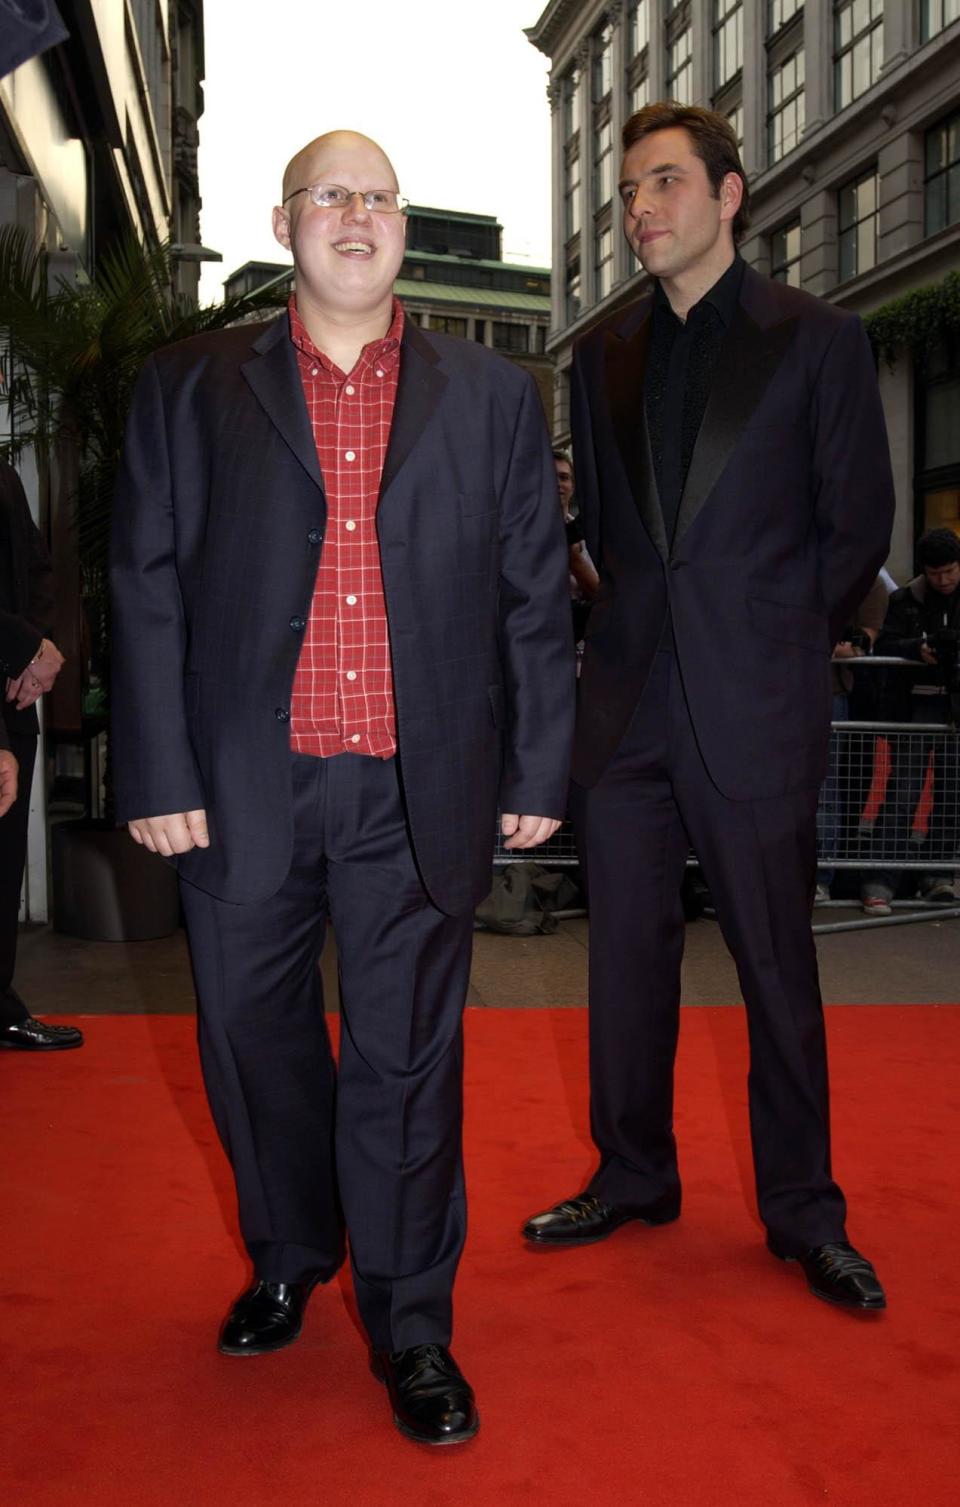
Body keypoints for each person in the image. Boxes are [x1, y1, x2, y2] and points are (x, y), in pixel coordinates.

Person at [111, 130, 573, 1446]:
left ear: (402, 226)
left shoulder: (491, 396)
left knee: (407, 1062)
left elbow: (533, 594)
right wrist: (155, 764)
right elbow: (142, 578)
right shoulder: (191, 385)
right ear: (285, 221)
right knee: (254, 1050)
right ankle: (288, 1251)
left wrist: (537, 763)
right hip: (243, 784)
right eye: (330, 196)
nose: (355, 216)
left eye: (377, 197)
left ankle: (414, 1319)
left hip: (414, 789)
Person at [522, 102, 894, 1312]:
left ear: (729, 196)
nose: (641, 210)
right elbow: (609, 541)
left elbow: (857, 528)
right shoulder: (600, 356)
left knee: (776, 968)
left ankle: (803, 1210)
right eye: (630, 190)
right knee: (622, 963)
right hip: (625, 711)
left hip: (755, 702)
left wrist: (779, 644)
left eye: (666, 184)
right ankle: (632, 1171)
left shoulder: (817, 339)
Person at [0, 460, 80, 1052]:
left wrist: (42, 653)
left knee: (3, 866)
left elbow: (36, 570)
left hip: (11, 690)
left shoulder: (3, 471)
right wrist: (24, 645)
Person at [861, 528, 960, 916]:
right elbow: (885, 643)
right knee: (903, 792)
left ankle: (936, 877)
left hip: (953, 708)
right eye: (936, 573)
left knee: (951, 796)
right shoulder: (904, 599)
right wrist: (917, 650)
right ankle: (880, 880)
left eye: (950, 571)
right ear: (924, 570)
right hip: (914, 707)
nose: (944, 580)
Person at [815, 575, 889, 901]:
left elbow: (860, 643)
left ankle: (820, 878)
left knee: (827, 788)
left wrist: (812, 643)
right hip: (786, 690)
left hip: (831, 693)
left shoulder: (869, 583)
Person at [554, 449, 599, 645]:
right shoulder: (517, 534)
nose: (557, 484)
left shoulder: (587, 537)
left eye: (563, 477)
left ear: (572, 485)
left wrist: (572, 558)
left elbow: (602, 596)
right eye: (550, 476)